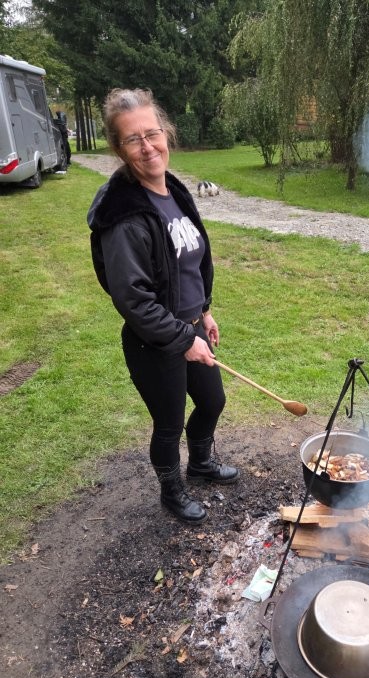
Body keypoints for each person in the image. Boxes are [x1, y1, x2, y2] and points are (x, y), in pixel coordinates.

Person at [87, 88, 238, 525]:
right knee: (169, 424)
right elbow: (133, 299)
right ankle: (172, 491)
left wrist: (203, 311)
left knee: (212, 401)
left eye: (152, 133)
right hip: (154, 341)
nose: (148, 146)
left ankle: (201, 463)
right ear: (119, 149)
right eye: (133, 139)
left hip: (190, 326)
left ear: (165, 133)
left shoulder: (173, 190)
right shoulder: (124, 215)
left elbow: (190, 263)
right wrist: (183, 338)